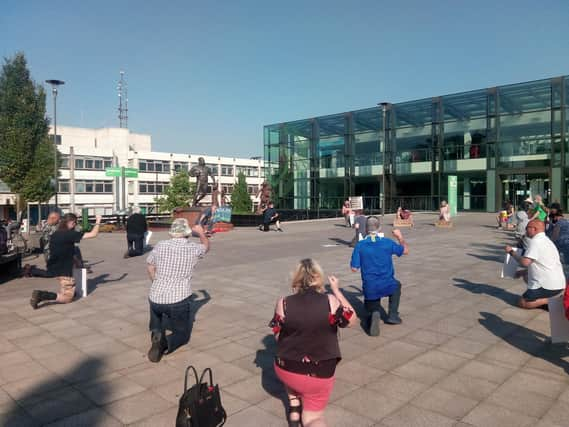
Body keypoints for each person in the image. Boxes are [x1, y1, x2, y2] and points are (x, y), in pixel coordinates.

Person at [270, 259, 357, 427]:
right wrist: (337, 291)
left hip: (286, 368)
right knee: (313, 418)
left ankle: (294, 409)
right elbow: (352, 320)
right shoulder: (329, 301)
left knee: (290, 364)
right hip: (319, 372)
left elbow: (277, 337)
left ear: (296, 278)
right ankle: (304, 415)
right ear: (318, 278)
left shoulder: (284, 302)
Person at [146, 219, 209, 363]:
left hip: (155, 296)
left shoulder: (161, 245)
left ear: (172, 232)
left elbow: (150, 266)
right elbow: (206, 246)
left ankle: (157, 333)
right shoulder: (193, 248)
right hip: (178, 299)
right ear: (187, 233)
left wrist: (156, 282)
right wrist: (201, 233)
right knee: (182, 333)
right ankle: (165, 344)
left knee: (156, 317)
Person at [350, 216, 409, 336]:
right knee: (397, 285)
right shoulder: (387, 242)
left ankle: (373, 312)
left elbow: (354, 268)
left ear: (366, 230)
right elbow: (405, 250)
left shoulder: (360, 246)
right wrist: (400, 237)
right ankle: (392, 315)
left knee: (370, 301)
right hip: (388, 284)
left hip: (370, 287)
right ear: (380, 228)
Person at [29, 214, 102, 309]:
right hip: (64, 271)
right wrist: (98, 221)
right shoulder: (69, 234)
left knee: (66, 290)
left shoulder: (56, 234)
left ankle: (64, 292)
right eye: (75, 223)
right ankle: (42, 295)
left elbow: (65, 249)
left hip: (55, 267)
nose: (75, 226)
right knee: (68, 298)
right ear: (71, 222)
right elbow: (93, 234)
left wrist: (76, 260)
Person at [504, 219, 566, 309]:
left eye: (527, 228)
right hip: (558, 284)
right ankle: (546, 298)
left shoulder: (535, 242)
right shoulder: (547, 240)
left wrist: (511, 252)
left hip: (548, 286)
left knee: (522, 303)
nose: (525, 230)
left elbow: (525, 262)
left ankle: (552, 300)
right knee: (526, 275)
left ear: (534, 229)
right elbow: (542, 263)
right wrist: (523, 272)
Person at [23, 211, 61, 277]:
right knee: (51, 274)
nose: (59, 220)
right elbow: (50, 237)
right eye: (57, 219)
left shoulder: (55, 225)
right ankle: (30, 270)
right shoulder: (48, 226)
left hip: (55, 251)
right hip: (49, 252)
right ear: (53, 218)